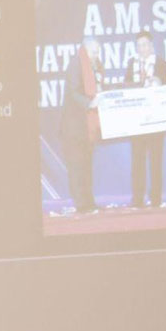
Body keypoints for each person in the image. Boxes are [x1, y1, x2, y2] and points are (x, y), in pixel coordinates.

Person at [123, 31, 166, 207]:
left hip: (156, 119)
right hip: (137, 120)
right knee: (137, 160)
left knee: (156, 160)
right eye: (139, 45)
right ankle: (137, 198)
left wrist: (159, 84)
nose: (142, 49)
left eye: (145, 45)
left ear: (151, 46)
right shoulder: (131, 64)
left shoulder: (161, 63)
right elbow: (126, 85)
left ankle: (156, 198)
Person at [60, 38, 105, 213]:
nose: (97, 55)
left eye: (98, 52)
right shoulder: (75, 64)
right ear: (85, 50)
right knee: (77, 167)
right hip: (73, 127)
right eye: (94, 52)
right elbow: (73, 92)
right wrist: (89, 103)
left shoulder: (95, 66)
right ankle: (81, 204)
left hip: (87, 127)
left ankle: (89, 202)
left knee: (86, 167)